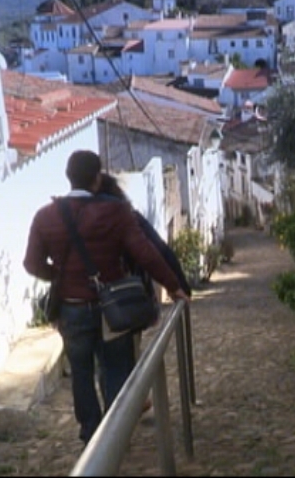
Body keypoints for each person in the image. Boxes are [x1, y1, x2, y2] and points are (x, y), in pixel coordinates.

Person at [23, 150, 190, 446]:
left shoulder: (44, 216)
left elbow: (32, 265)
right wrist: (173, 285)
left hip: (71, 310)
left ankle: (90, 434)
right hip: (112, 308)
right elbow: (146, 253)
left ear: (69, 177)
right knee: (115, 368)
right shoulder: (115, 211)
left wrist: (61, 276)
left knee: (81, 373)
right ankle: (115, 435)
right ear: (97, 178)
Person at [96, 172, 192, 414]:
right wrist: (179, 286)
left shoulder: (76, 219)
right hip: (126, 298)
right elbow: (157, 251)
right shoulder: (127, 217)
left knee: (106, 360)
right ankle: (123, 410)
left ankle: (114, 410)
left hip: (87, 300)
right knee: (126, 353)